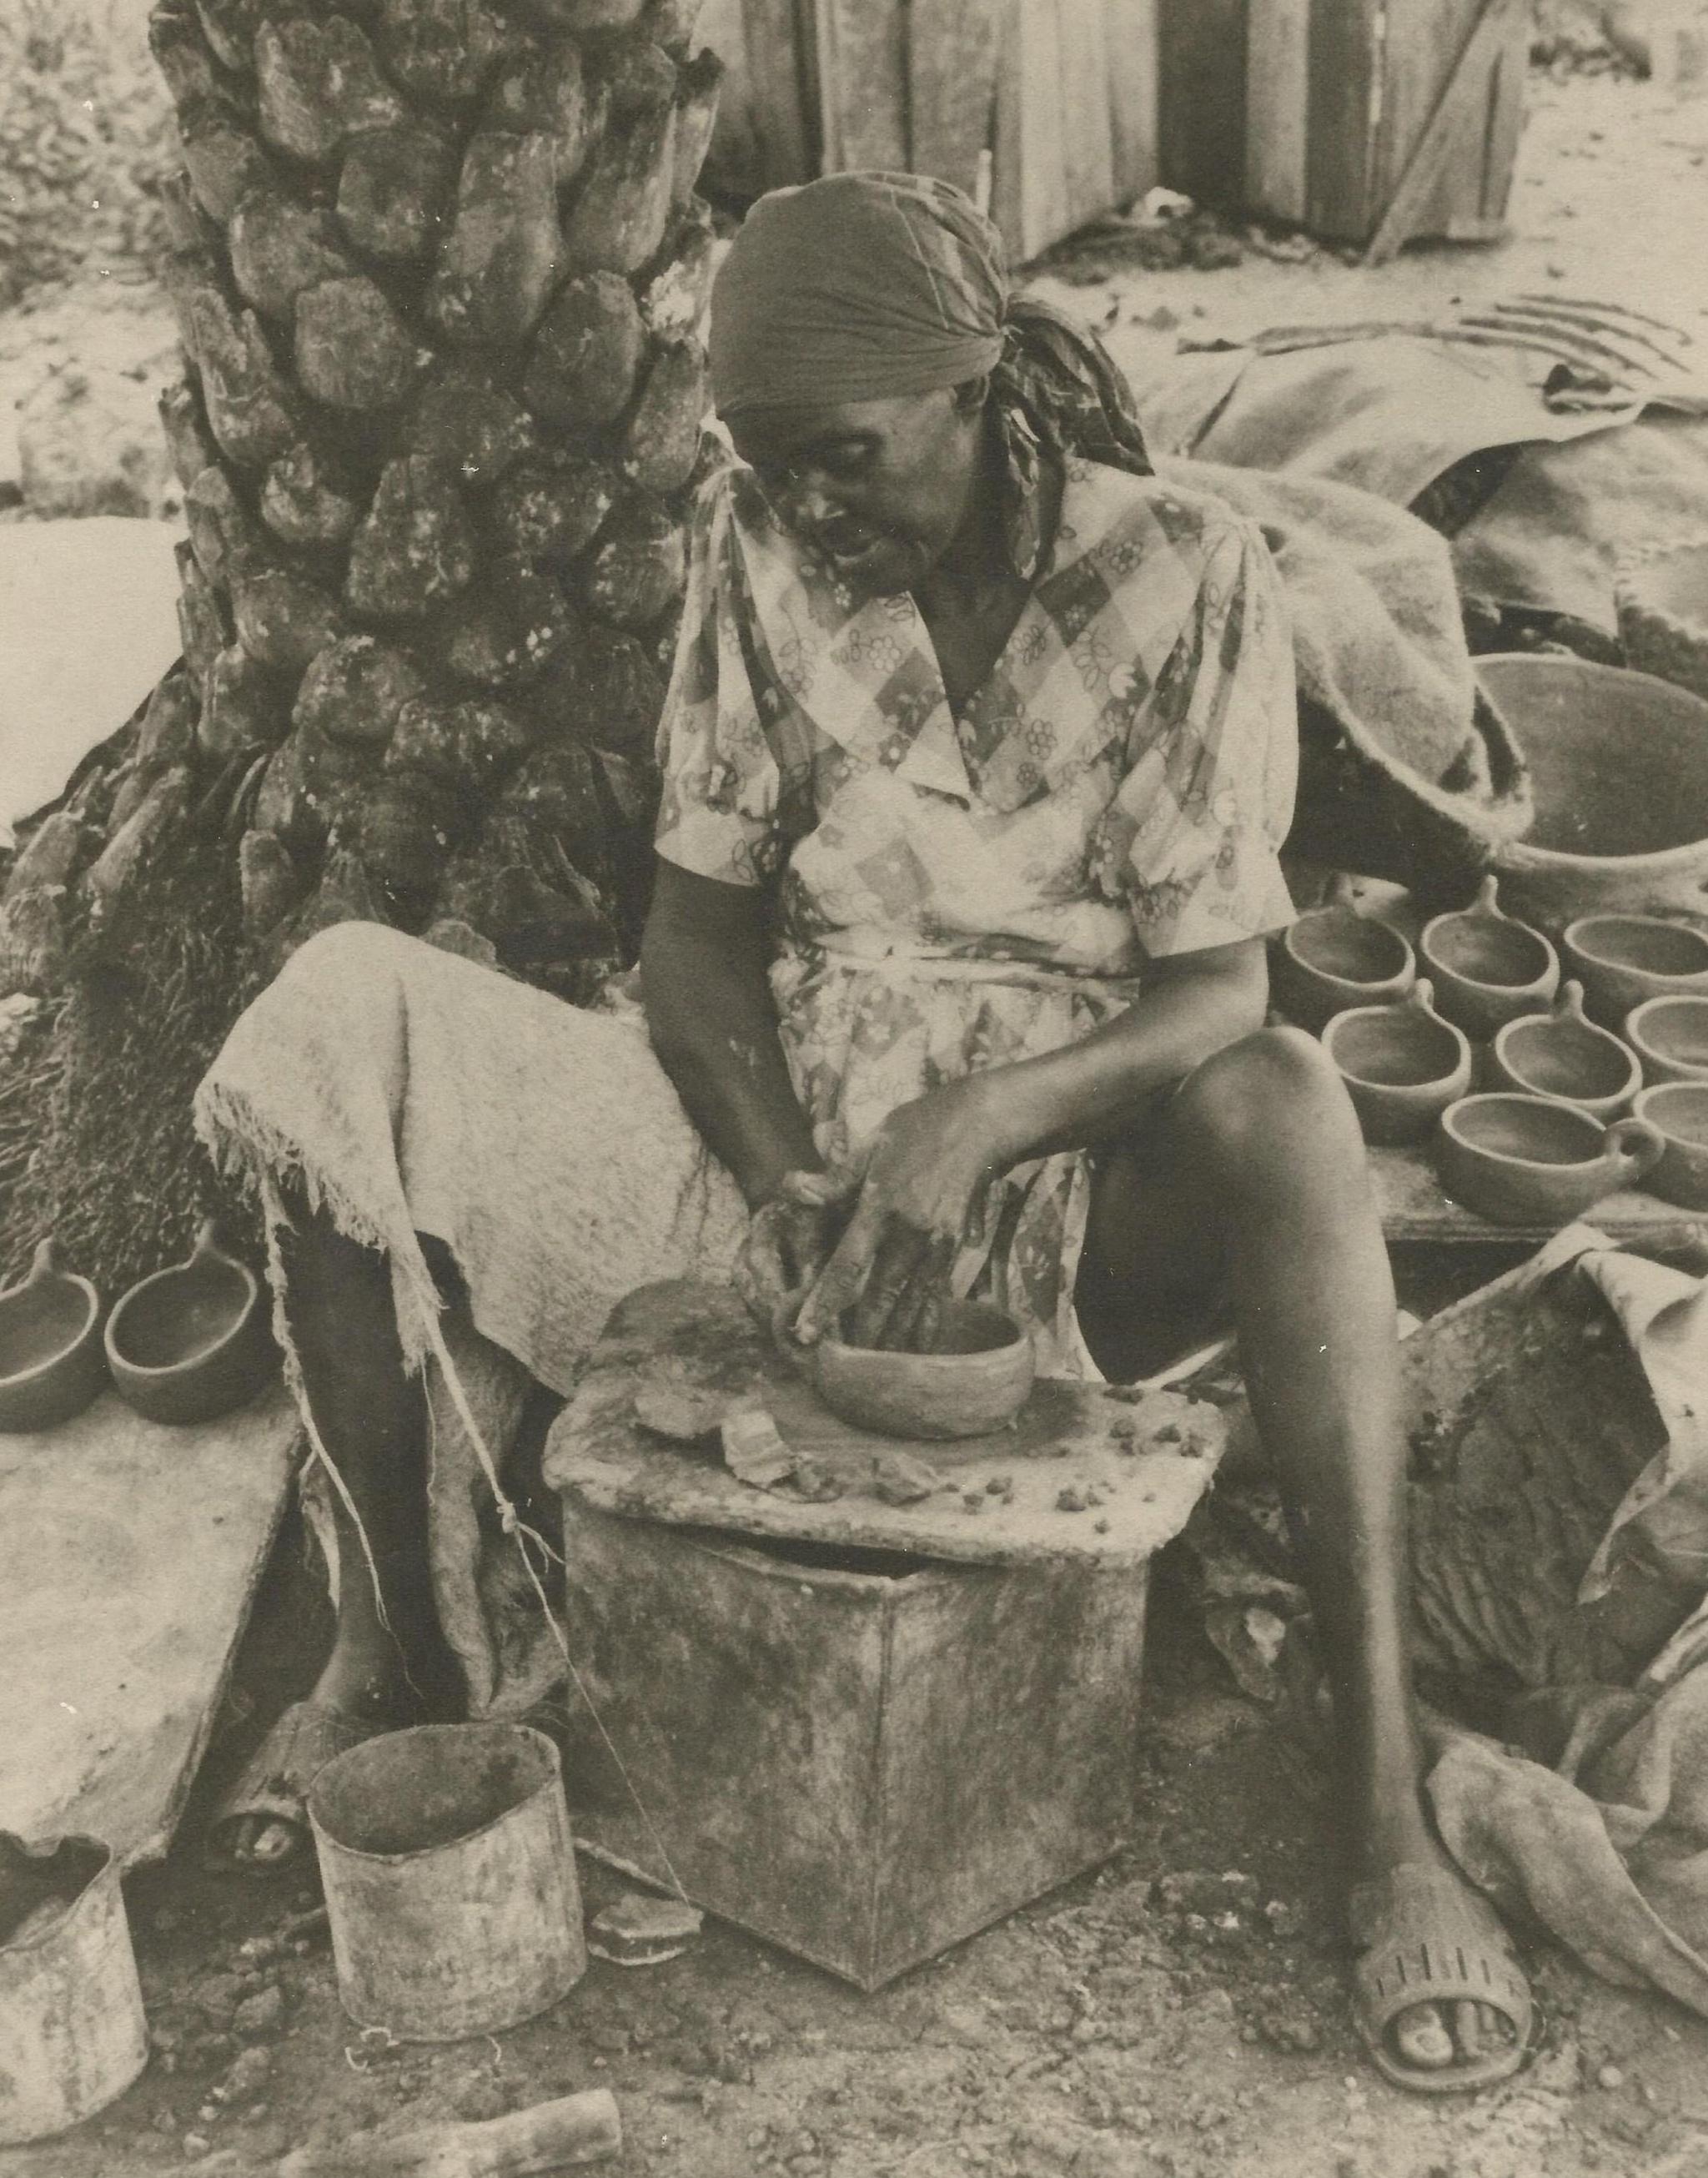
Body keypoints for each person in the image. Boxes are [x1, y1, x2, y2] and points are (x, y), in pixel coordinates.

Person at [196, 173, 1530, 2091]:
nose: (807, 506)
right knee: (338, 1011)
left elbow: (1217, 991)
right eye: (768, 465)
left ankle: (1383, 1801)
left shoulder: (1187, 571)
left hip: (1076, 1176)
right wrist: (790, 1179)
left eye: (840, 457)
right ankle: (402, 1658)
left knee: (1292, 1096)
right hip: (788, 1159)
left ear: (978, 388)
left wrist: (979, 1124)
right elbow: (695, 941)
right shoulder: (757, 552)